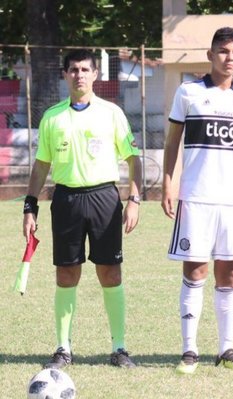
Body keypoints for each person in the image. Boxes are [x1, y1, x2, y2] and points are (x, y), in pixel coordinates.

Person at [22, 49, 141, 369]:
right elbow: (40, 166)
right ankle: (63, 348)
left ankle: (119, 347)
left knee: (110, 272)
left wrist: (134, 199)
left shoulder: (112, 113)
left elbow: (133, 159)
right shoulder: (53, 117)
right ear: (65, 74)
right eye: (73, 70)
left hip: (104, 197)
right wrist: (29, 207)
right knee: (67, 273)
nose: (79, 75)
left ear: (95, 74)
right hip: (66, 201)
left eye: (85, 70)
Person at [162, 27, 233, 374]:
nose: (228, 58)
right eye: (222, 51)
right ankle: (190, 351)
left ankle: (227, 350)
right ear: (210, 54)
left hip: (232, 200)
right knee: (195, 271)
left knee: (229, 274)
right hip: (196, 197)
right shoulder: (188, 92)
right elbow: (173, 142)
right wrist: (168, 183)